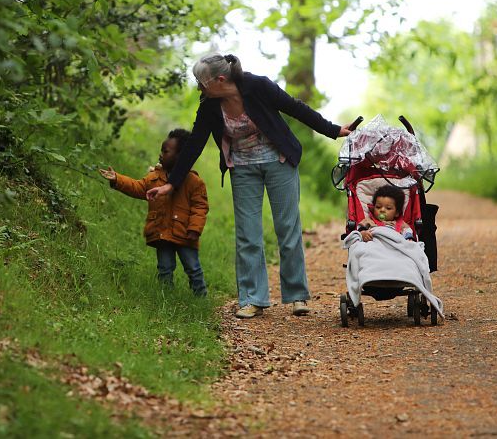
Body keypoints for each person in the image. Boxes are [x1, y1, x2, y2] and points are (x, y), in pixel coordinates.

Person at [146, 54, 355, 319]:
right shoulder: (210, 105)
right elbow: (194, 144)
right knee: (248, 234)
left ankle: (297, 296)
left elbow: (295, 107)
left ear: (220, 80)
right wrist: (171, 183)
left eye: (201, 82)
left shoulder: (258, 86)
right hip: (242, 168)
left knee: (287, 228)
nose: (199, 88)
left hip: (279, 161)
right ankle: (252, 298)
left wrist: (333, 130)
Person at [99, 128, 208, 296]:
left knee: (193, 268)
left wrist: (194, 228)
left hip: (185, 234)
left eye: (166, 151)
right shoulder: (154, 178)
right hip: (162, 232)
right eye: (161, 151)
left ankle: (200, 297)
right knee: (164, 268)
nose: (161, 155)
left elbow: (200, 207)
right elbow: (138, 187)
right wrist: (117, 179)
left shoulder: (193, 181)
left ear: (181, 156)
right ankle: (166, 297)